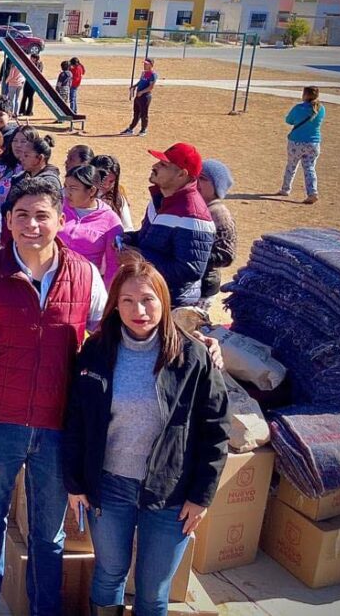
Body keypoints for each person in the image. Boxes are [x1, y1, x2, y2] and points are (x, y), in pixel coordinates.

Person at [0, 175, 108, 616]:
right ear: (8, 220)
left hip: (58, 427)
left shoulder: (85, 276)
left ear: (61, 220)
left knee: (49, 531)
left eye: (43, 215)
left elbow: (105, 337)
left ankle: (45, 608)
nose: (32, 224)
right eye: (21, 215)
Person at [63, 256, 230, 616]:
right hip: (110, 487)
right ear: (115, 304)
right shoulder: (97, 352)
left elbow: (215, 430)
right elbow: (76, 420)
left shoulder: (192, 356)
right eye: (127, 300)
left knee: (154, 589)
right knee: (109, 574)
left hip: (171, 492)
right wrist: (75, 483)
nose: (138, 310)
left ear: (164, 301)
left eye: (148, 299)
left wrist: (201, 496)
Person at [122, 144, 215, 309]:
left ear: (181, 174)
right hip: (151, 294)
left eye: (163, 165)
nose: (154, 166)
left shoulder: (193, 215)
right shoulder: (160, 198)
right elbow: (151, 238)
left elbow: (189, 270)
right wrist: (129, 238)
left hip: (171, 304)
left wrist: (141, 259)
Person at [59, 164, 124, 285]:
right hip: (49, 280)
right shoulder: (57, 208)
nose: (66, 193)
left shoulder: (111, 221)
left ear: (92, 191)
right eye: (65, 186)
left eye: (73, 188)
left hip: (85, 286)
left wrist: (106, 298)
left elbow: (113, 266)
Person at [197, 160, 237, 305]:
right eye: (194, 177)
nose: (196, 182)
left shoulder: (219, 213)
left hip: (204, 286)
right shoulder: (196, 206)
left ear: (217, 185)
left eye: (202, 178)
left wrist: (189, 255)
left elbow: (227, 255)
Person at [280, 85, 324, 204]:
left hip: (296, 141)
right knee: (309, 168)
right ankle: (312, 192)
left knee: (291, 165)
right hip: (313, 142)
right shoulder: (321, 109)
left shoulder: (298, 108)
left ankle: (285, 189)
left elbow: (289, 120)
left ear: (305, 95)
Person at [92, 154, 135, 231]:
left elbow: (127, 227)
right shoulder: (81, 193)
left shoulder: (118, 198)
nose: (106, 185)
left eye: (111, 181)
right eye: (103, 179)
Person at [121, 58, 157, 137]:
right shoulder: (143, 73)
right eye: (144, 63)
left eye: (146, 64)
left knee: (144, 114)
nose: (144, 65)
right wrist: (134, 86)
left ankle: (143, 130)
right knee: (136, 113)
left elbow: (151, 87)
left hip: (145, 96)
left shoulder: (153, 74)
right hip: (138, 96)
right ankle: (130, 129)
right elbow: (141, 82)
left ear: (151, 65)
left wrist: (142, 92)